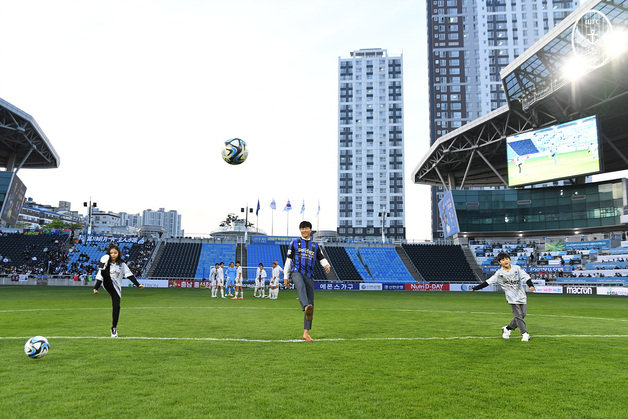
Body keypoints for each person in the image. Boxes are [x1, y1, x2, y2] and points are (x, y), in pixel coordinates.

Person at [283, 220, 331, 342]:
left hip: (309, 275)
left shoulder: (315, 246)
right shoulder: (294, 243)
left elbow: (321, 258)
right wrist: (285, 276)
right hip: (296, 272)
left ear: (310, 230)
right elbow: (288, 260)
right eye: (302, 228)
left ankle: (306, 333)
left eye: (306, 228)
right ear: (300, 230)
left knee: (312, 304)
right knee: (300, 287)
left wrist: (327, 265)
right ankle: (305, 306)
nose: (304, 230)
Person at [472, 252, 535, 342]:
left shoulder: (516, 268)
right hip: (511, 298)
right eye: (503, 260)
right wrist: (476, 288)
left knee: (522, 315)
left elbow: (526, 277)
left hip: (521, 296)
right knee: (518, 316)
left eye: (507, 259)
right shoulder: (499, 273)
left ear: (509, 260)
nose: (505, 261)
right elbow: (488, 282)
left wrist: (530, 285)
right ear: (499, 262)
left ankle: (508, 328)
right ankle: (525, 334)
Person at [93, 244, 144, 338]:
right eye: (111, 253)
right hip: (107, 283)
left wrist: (138, 284)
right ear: (108, 254)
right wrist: (96, 288)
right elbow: (100, 277)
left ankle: (114, 328)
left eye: (115, 253)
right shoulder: (107, 263)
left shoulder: (122, 264)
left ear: (118, 254)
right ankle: (102, 267)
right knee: (105, 274)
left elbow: (129, 275)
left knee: (116, 307)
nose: (113, 254)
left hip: (116, 288)